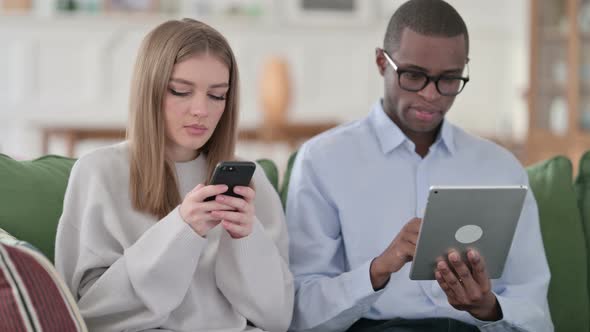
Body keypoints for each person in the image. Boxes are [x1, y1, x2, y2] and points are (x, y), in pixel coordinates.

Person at [286, 1, 552, 331]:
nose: (430, 95)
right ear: (381, 62)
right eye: (413, 75)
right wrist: (377, 270)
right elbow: (299, 312)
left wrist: (489, 308)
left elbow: (537, 313)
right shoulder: (321, 161)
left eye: (449, 79)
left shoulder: (502, 168)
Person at [55, 18, 293, 332]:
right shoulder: (98, 172)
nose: (201, 110)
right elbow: (89, 313)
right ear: (149, 89)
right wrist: (182, 230)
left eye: (217, 95)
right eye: (181, 91)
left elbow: (278, 318)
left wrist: (247, 240)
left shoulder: (252, 182)